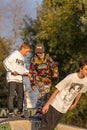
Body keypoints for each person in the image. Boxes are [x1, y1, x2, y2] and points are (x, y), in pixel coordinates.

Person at [38, 58, 87, 130]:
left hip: (64, 108)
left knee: (51, 128)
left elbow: (80, 92)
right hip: (55, 105)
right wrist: (47, 104)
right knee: (46, 128)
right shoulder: (71, 77)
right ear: (81, 68)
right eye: (86, 69)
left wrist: (75, 104)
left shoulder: (86, 80)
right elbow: (57, 89)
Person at [29, 43, 59, 117]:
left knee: (46, 95)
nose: (39, 54)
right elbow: (31, 72)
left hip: (47, 80)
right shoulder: (33, 59)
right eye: (37, 53)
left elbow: (54, 66)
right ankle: (38, 110)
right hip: (39, 79)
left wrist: (55, 73)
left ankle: (43, 110)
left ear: (43, 52)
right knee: (42, 93)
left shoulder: (47, 58)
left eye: (40, 53)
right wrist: (32, 83)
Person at [3, 42, 31, 117]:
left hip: (20, 80)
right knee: (11, 95)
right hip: (12, 79)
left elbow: (23, 69)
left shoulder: (22, 58)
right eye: (27, 51)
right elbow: (5, 62)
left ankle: (20, 112)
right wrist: (12, 70)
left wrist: (28, 73)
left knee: (21, 96)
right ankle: (11, 112)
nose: (27, 53)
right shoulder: (15, 54)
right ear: (23, 48)